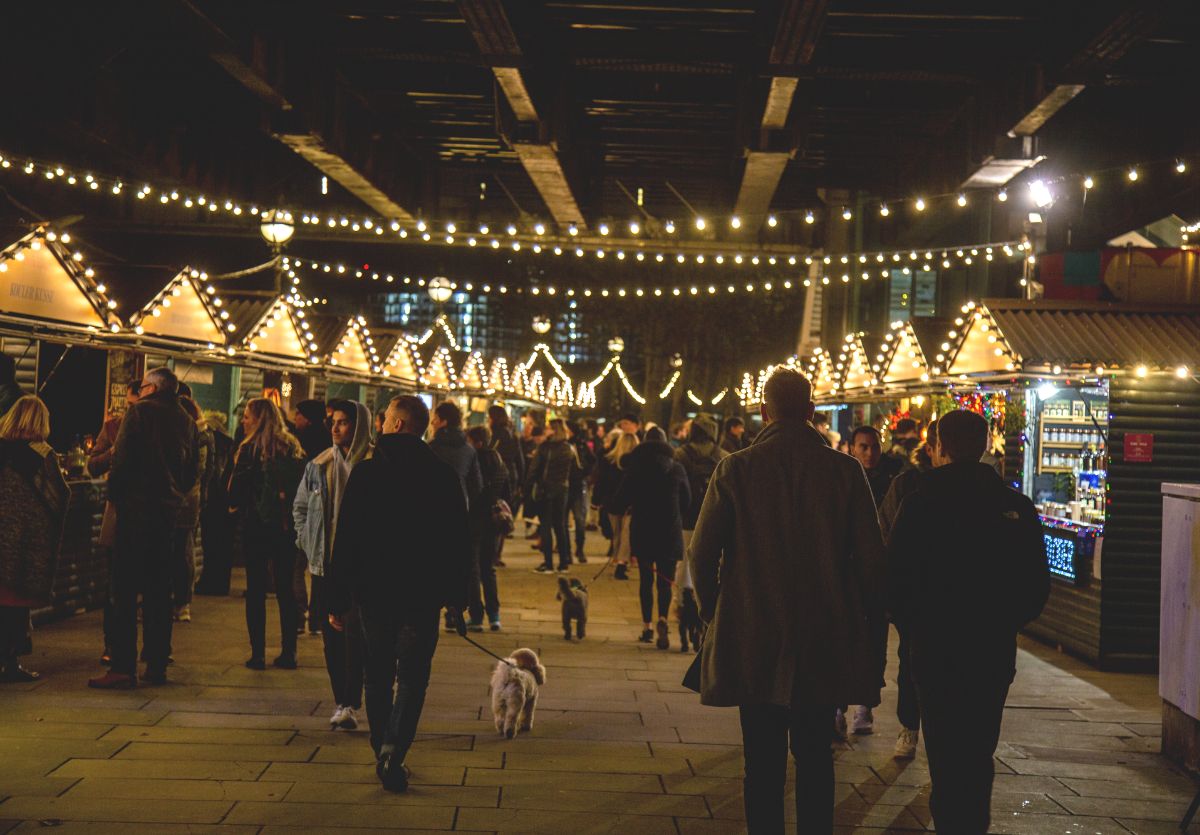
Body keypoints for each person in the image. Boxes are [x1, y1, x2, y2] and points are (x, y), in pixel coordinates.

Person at [689, 367, 885, 831]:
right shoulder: (845, 471)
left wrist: (713, 611)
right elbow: (872, 560)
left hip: (754, 632)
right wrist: (868, 622)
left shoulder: (735, 469)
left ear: (764, 412)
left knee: (761, 760)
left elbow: (700, 553)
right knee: (817, 755)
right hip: (824, 633)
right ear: (812, 412)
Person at [888, 410, 1049, 832]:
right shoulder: (1015, 507)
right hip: (991, 649)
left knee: (943, 753)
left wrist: (915, 623)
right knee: (978, 751)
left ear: (939, 446)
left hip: (934, 647)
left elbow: (894, 578)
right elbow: (1035, 587)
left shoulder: (920, 503)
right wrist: (1004, 620)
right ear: (983, 445)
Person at [324, 395, 471, 793]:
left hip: (375, 595)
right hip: (422, 596)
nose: (382, 424)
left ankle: (381, 749)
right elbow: (459, 541)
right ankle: (394, 749)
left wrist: (336, 597)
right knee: (413, 677)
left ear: (398, 425)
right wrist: (461, 596)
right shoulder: (441, 475)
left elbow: (347, 540)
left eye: (386, 418)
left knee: (377, 674)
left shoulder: (367, 475)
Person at [90, 367, 199, 689]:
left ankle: (123, 667)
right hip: (166, 514)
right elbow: (192, 471)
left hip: (135, 512)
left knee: (122, 592)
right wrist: (174, 496)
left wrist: (117, 498)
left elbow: (121, 461)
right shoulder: (188, 421)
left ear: (151, 388)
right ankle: (156, 662)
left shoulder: (139, 413)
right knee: (158, 592)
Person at [294, 398, 370, 730]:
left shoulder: (374, 463)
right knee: (333, 637)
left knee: (358, 634)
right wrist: (307, 541)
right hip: (326, 564)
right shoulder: (319, 465)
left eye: (343, 421)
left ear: (359, 426)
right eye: (332, 422)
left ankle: (356, 697)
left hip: (364, 565)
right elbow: (299, 509)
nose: (336, 428)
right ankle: (344, 701)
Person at [875, 417, 939, 758]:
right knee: (911, 662)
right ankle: (909, 728)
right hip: (915, 594)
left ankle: (941, 739)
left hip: (958, 599)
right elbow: (887, 536)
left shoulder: (985, 490)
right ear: (931, 449)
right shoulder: (907, 486)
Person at [227, 398, 307, 671]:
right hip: (286, 528)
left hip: (256, 526)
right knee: (285, 590)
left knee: (257, 590)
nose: (244, 420)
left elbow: (235, 491)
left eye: (248, 416)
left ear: (259, 418)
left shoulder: (249, 449)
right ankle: (290, 652)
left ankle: (258, 654)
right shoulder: (293, 447)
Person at [0, 396, 68, 682]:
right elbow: (60, 494)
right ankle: (10, 662)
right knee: (16, 602)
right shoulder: (43, 454)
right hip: (26, 541)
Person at [611, 426, 689, 649]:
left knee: (646, 580)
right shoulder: (677, 468)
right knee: (665, 581)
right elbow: (687, 499)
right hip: (669, 531)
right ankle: (663, 618)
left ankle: (647, 627)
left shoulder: (636, 468)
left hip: (643, 531)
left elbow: (620, 499)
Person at [87, 380, 140, 665]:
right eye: (130, 406)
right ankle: (113, 645)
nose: (132, 411)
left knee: (143, 584)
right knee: (115, 584)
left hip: (146, 514)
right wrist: (111, 454)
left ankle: (147, 650)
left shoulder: (153, 429)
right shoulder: (112, 428)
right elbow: (93, 464)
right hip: (119, 512)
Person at [674, 414, 726, 591]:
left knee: (685, 560)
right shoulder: (723, 456)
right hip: (715, 515)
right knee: (714, 558)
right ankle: (706, 598)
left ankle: (682, 599)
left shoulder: (681, 454)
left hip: (687, 515)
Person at [466, 425, 510, 631]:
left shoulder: (473, 461)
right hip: (493, 521)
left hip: (474, 519)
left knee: (472, 569)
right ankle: (494, 615)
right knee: (488, 569)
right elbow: (508, 492)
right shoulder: (499, 462)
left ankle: (476, 616)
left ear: (478, 443)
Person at [172, 396, 211, 624]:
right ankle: (181, 601)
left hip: (185, 500)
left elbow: (196, 470)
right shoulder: (200, 434)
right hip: (188, 499)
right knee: (182, 551)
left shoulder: (196, 436)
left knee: (182, 551)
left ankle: (182, 601)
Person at [527, 418, 580, 575]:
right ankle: (564, 563)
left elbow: (534, 469)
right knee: (560, 526)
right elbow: (576, 470)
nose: (546, 431)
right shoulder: (569, 448)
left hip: (545, 490)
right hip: (562, 490)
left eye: (549, 428)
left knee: (545, 526)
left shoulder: (545, 448)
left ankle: (548, 563)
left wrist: (528, 486)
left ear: (553, 430)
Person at [194, 411, 236, 596]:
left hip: (214, 498)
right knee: (221, 545)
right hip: (225, 500)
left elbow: (212, 472)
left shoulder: (213, 442)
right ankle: (220, 583)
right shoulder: (230, 443)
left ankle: (211, 582)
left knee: (211, 543)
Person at [596, 430, 638, 580]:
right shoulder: (636, 463)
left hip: (612, 503)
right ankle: (622, 562)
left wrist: (597, 500)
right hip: (630, 504)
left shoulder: (609, 460)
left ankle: (616, 558)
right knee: (626, 534)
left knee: (617, 533)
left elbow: (601, 482)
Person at [487, 405, 524, 567]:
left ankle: (492, 553)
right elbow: (520, 459)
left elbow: (491, 457)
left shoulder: (495, 435)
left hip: (498, 478)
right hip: (511, 477)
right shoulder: (512, 435)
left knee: (494, 514)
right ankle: (497, 553)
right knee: (504, 514)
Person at [850, 426, 903, 508]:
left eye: (875, 447)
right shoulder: (846, 474)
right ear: (853, 449)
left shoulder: (895, 470)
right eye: (864, 447)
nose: (870, 453)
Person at [567, 421, 597, 563]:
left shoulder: (580, 445)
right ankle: (565, 550)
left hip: (578, 485)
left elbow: (592, 460)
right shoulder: (562, 445)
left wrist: (584, 473)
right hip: (565, 486)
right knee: (563, 522)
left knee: (579, 519)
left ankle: (579, 548)